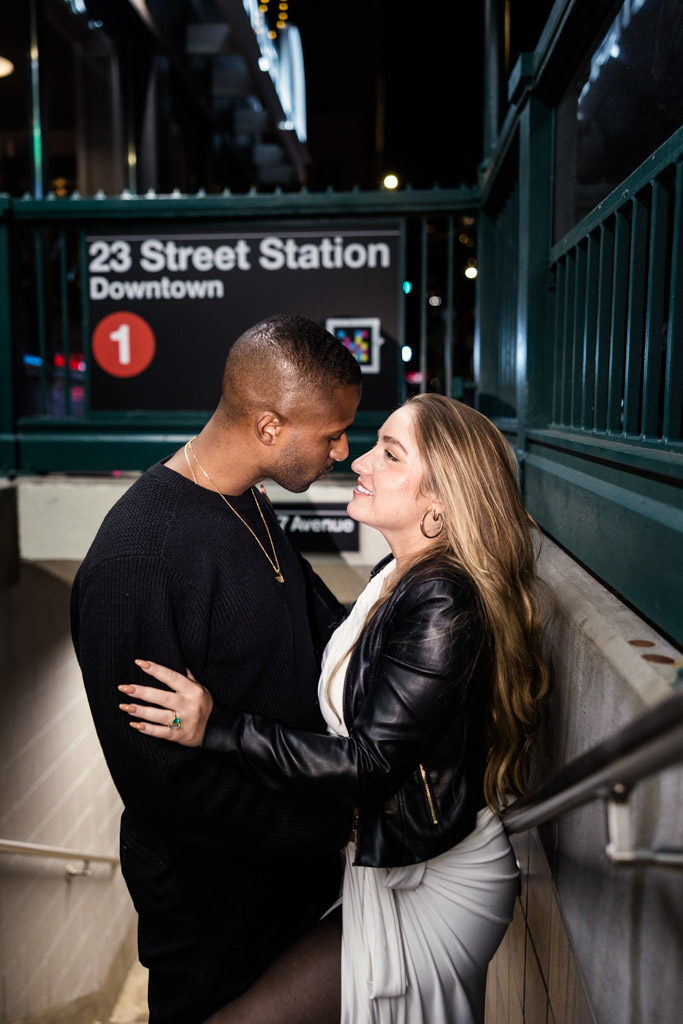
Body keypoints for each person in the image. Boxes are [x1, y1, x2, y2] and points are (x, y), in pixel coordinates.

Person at [118, 394, 550, 1024]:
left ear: (439, 503)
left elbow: (371, 766)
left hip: (434, 881)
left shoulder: (441, 601)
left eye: (390, 453)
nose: (361, 462)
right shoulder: (398, 575)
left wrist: (217, 727)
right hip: (392, 866)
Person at [71, 314, 362, 1024]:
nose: (343, 450)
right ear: (268, 427)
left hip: (291, 882)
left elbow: (321, 637)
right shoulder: (140, 557)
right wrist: (333, 823)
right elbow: (160, 784)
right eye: (329, 434)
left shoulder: (247, 504)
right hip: (211, 909)